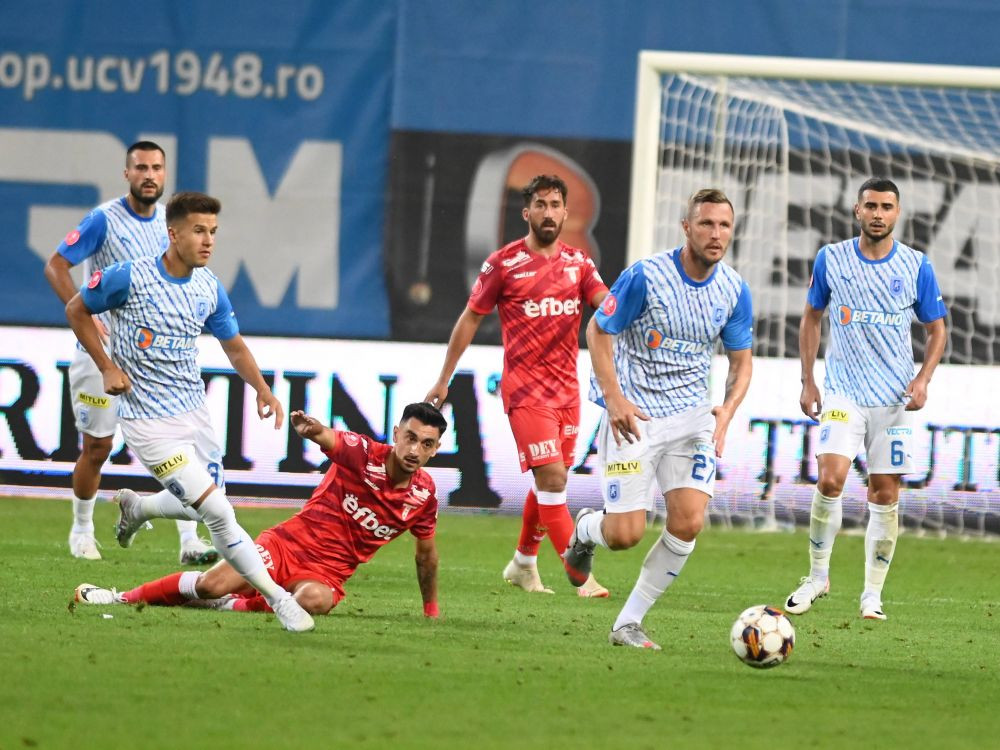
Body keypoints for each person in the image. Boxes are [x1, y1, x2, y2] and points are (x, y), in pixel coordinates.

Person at [64, 191, 313, 632]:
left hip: (195, 416)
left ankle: (137, 510)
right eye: (199, 230)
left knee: (205, 507)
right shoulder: (128, 278)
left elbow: (232, 345)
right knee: (218, 512)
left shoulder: (208, 286)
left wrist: (262, 389)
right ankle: (279, 600)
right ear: (172, 232)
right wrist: (106, 366)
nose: (208, 240)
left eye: (214, 232)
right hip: (147, 423)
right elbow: (76, 308)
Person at [563, 188, 753, 649]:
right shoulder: (646, 277)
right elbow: (597, 329)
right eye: (706, 224)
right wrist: (614, 399)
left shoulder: (733, 289)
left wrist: (726, 412)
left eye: (724, 225)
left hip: (691, 420)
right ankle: (588, 530)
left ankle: (627, 622)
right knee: (624, 534)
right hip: (635, 418)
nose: (716, 234)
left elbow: (741, 361)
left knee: (688, 521)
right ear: (686, 227)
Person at [74, 404, 445, 621]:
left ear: (435, 449)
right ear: (396, 433)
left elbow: (425, 556)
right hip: (287, 545)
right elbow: (329, 437)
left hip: (328, 573)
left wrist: (430, 611)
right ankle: (120, 597)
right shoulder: (362, 453)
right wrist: (312, 430)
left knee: (314, 602)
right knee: (207, 584)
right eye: (409, 437)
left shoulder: (424, 497)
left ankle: (233, 604)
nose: (414, 449)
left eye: (425, 444)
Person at [425, 174, 610, 598]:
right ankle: (580, 574)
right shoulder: (503, 264)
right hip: (525, 391)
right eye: (540, 205)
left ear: (567, 212)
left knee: (549, 483)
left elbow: (606, 303)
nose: (549, 212)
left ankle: (524, 563)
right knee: (553, 479)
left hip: (567, 392)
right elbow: (471, 317)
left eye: (556, 204)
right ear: (527, 213)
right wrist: (443, 378)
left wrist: (638, 311)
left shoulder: (579, 263)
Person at [43, 141, 216, 565]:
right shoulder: (104, 219)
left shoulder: (172, 225)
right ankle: (82, 528)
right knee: (98, 447)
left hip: (153, 357)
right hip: (101, 352)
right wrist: (85, 312)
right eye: (141, 167)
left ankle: (189, 540)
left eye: (157, 167)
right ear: (127, 174)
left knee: (182, 447)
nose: (150, 175)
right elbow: (56, 265)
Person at [784, 177, 947, 621]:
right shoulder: (831, 258)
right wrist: (807, 380)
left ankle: (871, 595)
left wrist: (923, 379)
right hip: (844, 391)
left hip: (894, 397)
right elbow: (811, 317)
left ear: (897, 213)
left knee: (885, 491)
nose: (878, 214)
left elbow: (937, 329)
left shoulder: (915, 265)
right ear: (857, 211)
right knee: (831, 478)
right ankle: (817, 577)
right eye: (871, 206)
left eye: (887, 207)